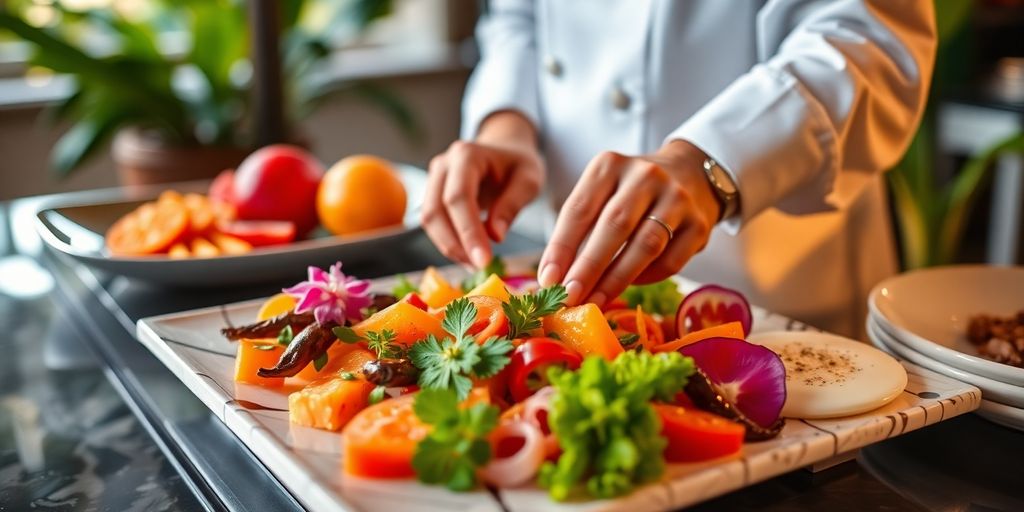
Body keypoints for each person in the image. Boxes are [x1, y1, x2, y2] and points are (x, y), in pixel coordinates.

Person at [421, 1, 936, 338]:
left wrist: (712, 161)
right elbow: (517, 17)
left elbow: (873, 41)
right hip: (579, 277)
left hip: (780, 290)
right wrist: (505, 124)